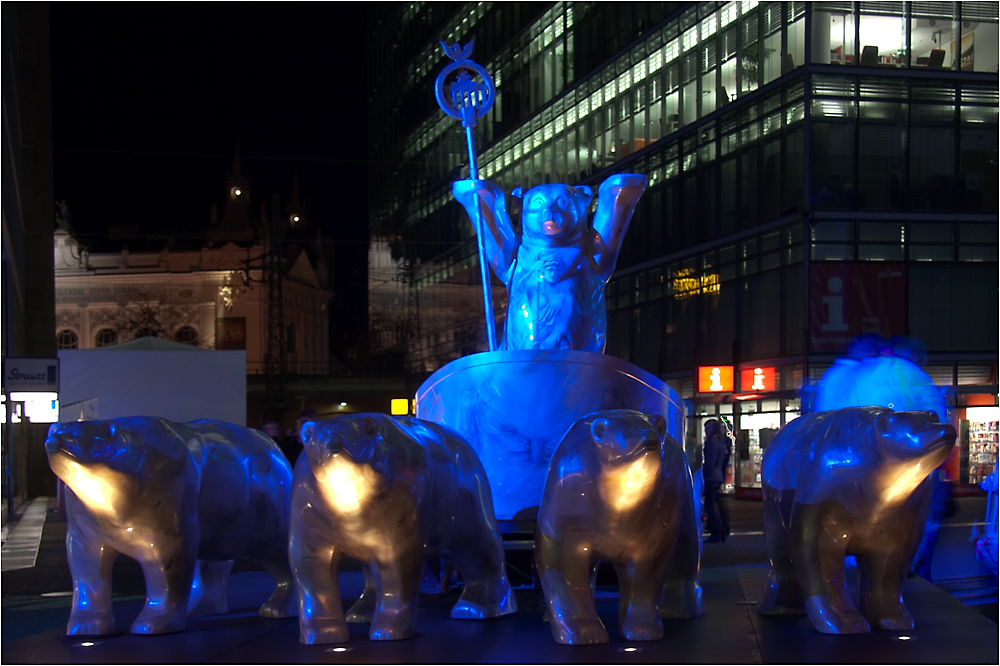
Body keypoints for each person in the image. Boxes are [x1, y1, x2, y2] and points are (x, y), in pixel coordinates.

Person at [702, 419, 731, 543]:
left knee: (710, 505)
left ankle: (716, 530)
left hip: (712, 476)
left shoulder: (712, 442)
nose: (706, 431)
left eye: (707, 429)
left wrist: (703, 473)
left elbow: (710, 463)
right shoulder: (720, 442)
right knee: (715, 502)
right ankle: (722, 528)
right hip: (717, 475)